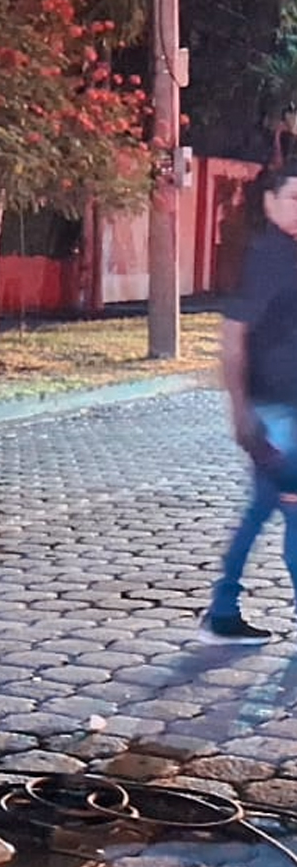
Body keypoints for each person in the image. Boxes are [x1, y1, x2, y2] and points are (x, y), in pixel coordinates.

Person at [199, 158, 297, 645]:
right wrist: (241, 413)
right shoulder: (268, 257)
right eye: (294, 198)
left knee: (262, 511)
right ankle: (222, 608)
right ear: (270, 202)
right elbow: (234, 336)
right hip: (276, 415)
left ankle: (222, 608)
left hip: (286, 411)